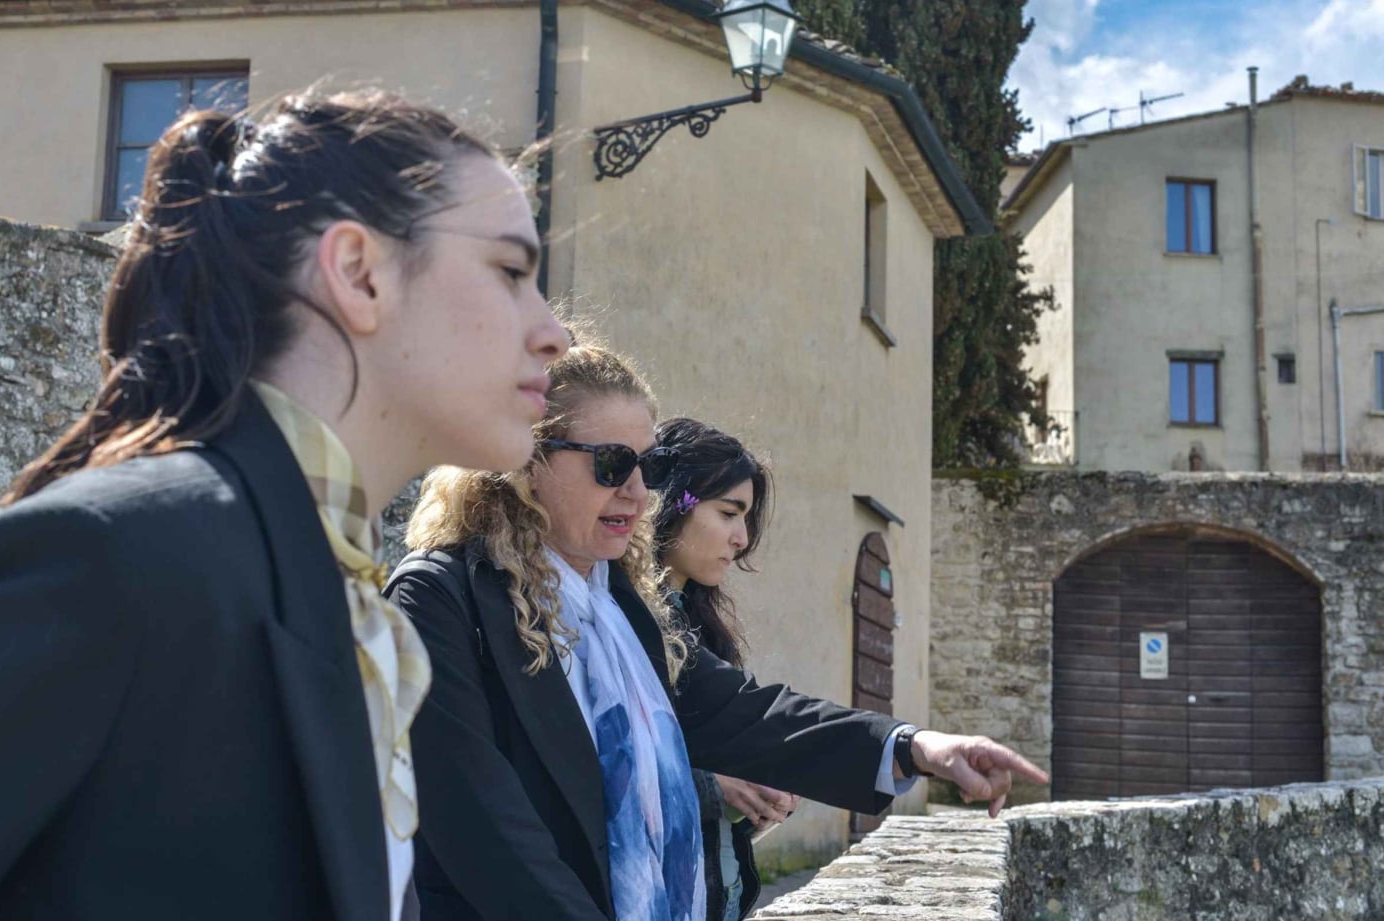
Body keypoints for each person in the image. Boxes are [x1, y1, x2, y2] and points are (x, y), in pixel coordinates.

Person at [0, 89, 568, 921]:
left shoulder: (336, 594)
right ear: (359, 272)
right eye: (511, 272)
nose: (553, 331)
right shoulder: (123, 555)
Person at [387, 336, 1047, 921]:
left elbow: (745, 713)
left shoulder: (619, 605)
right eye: (612, 464)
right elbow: (486, 833)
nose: (638, 493)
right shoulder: (440, 598)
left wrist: (917, 747)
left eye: (647, 466)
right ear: (524, 459)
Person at [652, 417, 790, 921]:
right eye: (729, 513)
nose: (742, 538)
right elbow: (600, 762)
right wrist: (715, 786)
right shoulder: (618, 620)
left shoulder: (702, 625)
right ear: (673, 502)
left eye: (746, 518)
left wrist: (762, 790)